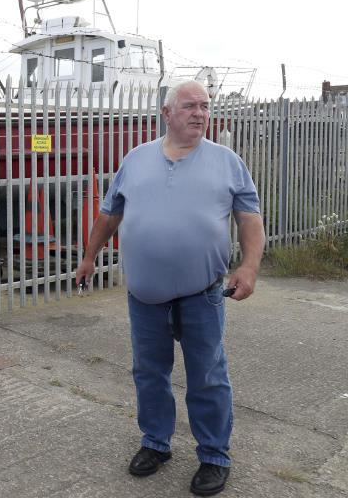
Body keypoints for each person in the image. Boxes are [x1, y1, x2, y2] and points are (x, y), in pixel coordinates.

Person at [76, 80, 265, 497]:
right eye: (189, 105)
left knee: (208, 376)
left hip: (203, 294)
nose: (199, 112)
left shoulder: (227, 161)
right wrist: (90, 257)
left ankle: (214, 455)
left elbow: (249, 217)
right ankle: (155, 443)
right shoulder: (136, 159)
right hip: (145, 296)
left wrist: (249, 267)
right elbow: (109, 214)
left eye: (205, 105)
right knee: (148, 372)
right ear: (167, 113)